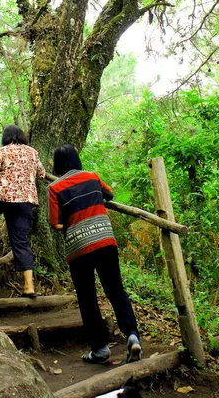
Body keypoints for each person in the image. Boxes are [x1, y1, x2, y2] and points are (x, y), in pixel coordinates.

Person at [48, 144, 142, 364]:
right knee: (116, 290)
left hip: (79, 247)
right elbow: (109, 194)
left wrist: (73, 222)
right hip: (105, 240)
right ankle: (132, 335)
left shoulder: (55, 187)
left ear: (57, 164)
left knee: (87, 298)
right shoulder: (92, 177)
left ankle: (100, 349)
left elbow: (55, 223)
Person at [0, 125, 45, 298]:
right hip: (25, 201)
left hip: (2, 196)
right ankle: (29, 286)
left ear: (5, 138)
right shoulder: (33, 152)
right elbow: (41, 174)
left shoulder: (2, 151)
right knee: (21, 241)